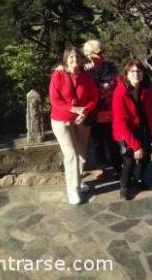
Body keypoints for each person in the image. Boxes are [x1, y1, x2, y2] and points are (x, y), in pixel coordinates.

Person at [49, 47, 99, 205]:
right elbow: (55, 100)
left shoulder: (85, 75)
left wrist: (85, 110)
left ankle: (77, 179)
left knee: (82, 154)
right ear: (65, 59)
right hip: (61, 120)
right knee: (70, 153)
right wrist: (73, 109)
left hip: (82, 119)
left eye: (76, 56)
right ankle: (73, 189)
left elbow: (94, 96)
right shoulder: (58, 75)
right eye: (70, 57)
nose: (74, 59)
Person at [112, 59, 152, 200]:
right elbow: (120, 122)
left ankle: (139, 179)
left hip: (144, 128)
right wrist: (135, 145)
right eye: (132, 72)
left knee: (146, 157)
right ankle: (124, 186)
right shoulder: (120, 92)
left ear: (143, 74)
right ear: (126, 74)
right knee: (129, 160)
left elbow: (150, 109)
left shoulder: (146, 89)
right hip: (126, 131)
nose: (136, 74)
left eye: (139, 71)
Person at [83, 40, 121, 180]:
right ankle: (101, 168)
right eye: (100, 52)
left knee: (113, 141)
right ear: (90, 55)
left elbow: (119, 84)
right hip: (93, 112)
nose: (103, 54)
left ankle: (118, 167)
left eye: (103, 50)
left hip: (112, 110)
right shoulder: (85, 70)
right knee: (96, 141)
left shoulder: (111, 66)